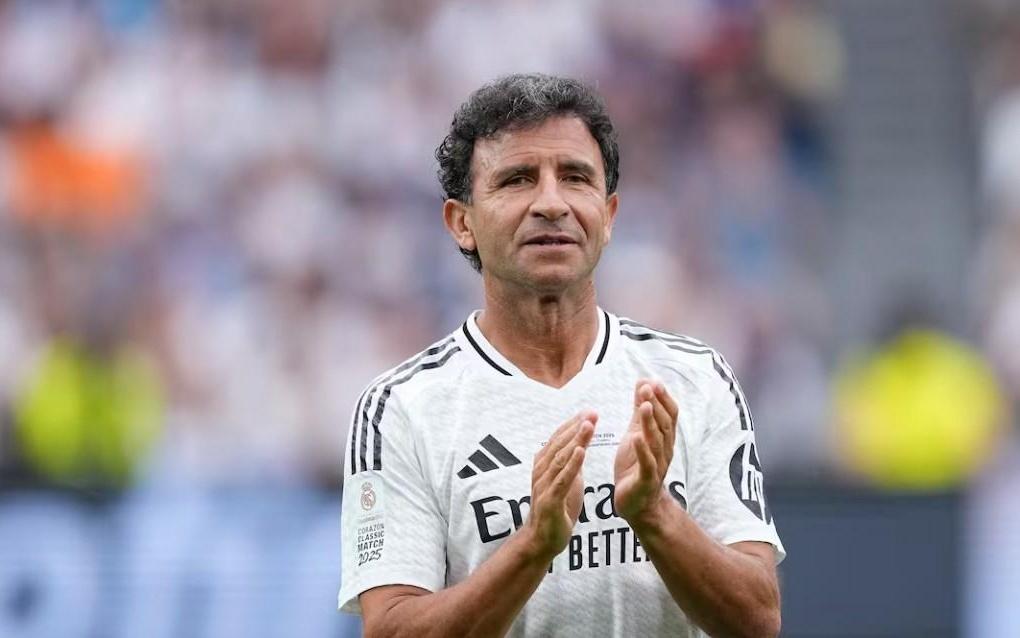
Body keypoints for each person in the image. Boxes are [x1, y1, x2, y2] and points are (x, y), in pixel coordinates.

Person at [339, 73, 785, 638]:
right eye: (517, 180)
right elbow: (391, 630)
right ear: (462, 223)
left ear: (609, 215)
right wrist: (533, 544)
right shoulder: (403, 409)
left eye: (575, 177)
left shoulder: (694, 379)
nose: (551, 203)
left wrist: (654, 513)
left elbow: (758, 619)